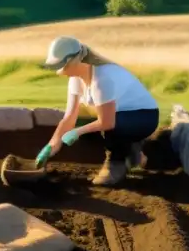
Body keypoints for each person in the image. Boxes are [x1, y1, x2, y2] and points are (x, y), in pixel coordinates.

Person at [37, 36, 159, 186]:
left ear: (76, 59)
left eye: (62, 65)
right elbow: (70, 117)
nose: (60, 70)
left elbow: (106, 122)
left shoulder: (102, 78)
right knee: (81, 118)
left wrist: (77, 132)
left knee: (112, 127)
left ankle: (116, 164)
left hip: (143, 117)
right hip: (119, 116)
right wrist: (52, 144)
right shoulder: (76, 79)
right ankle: (132, 152)